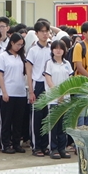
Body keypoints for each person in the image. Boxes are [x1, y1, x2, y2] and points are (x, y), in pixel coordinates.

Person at [0, 33, 30, 154]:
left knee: (18, 121)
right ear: (12, 43)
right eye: (18, 44)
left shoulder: (22, 57)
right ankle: (5, 144)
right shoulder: (3, 56)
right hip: (8, 92)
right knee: (6, 121)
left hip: (20, 93)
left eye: (21, 45)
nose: (19, 47)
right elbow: (0, 75)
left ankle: (16, 143)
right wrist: (4, 92)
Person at [25, 19, 54, 157]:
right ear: (36, 33)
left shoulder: (53, 48)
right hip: (38, 84)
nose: (44, 34)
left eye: (47, 31)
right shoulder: (33, 50)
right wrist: (31, 91)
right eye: (42, 31)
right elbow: (29, 71)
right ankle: (36, 146)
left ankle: (45, 145)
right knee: (37, 117)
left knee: (48, 116)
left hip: (51, 85)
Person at [43, 40, 75, 158]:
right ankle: (53, 148)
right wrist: (58, 94)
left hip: (65, 99)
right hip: (53, 99)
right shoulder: (49, 63)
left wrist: (64, 93)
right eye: (55, 48)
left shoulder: (67, 64)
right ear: (52, 50)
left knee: (63, 126)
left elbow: (71, 80)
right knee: (53, 125)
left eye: (60, 48)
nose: (58, 50)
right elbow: (49, 80)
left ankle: (62, 148)